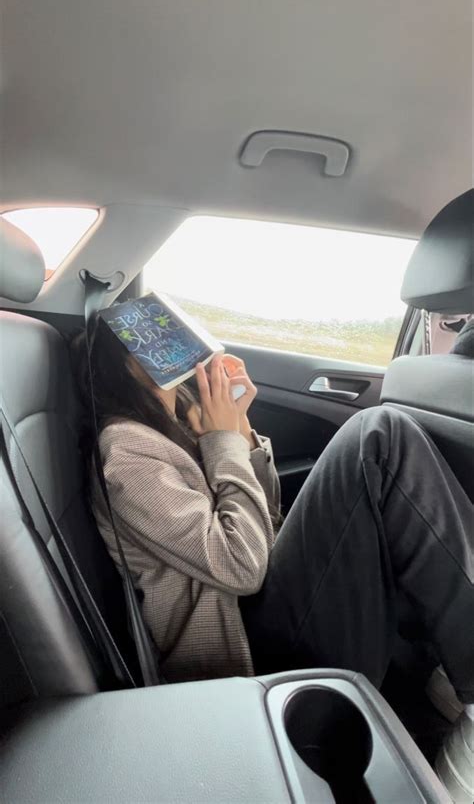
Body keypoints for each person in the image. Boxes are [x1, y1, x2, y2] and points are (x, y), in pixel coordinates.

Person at [71, 317, 473, 802]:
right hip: (243, 654)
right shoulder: (126, 453)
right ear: (128, 368)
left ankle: (451, 676)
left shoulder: (170, 428)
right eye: (158, 348)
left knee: (383, 466)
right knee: (377, 438)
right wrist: (221, 444)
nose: (183, 357)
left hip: (257, 610)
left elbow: (267, 519)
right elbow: (240, 564)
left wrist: (238, 431)